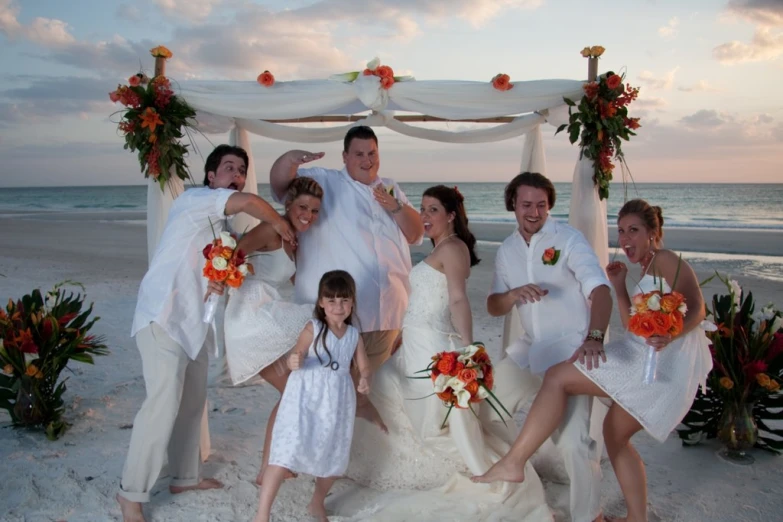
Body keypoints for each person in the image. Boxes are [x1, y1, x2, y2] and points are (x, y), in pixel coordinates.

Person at [473, 199, 713, 522]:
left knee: (558, 376)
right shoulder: (646, 266)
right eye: (621, 231)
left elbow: (698, 308)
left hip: (656, 364)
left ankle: (514, 462)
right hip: (644, 355)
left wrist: (670, 335)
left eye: (634, 231)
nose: (625, 239)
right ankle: (636, 519)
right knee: (615, 436)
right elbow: (634, 327)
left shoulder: (665, 259)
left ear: (653, 233)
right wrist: (619, 286)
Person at [344, 186, 552, 521]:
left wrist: (469, 350)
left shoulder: (453, 248)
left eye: (433, 210)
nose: (425, 217)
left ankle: (488, 469)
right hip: (412, 342)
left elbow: (457, 299)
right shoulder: (443, 247)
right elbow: (425, 302)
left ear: (451, 215)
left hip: (431, 346)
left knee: (429, 426)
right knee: (381, 390)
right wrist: (401, 335)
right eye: (423, 209)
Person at [116, 145, 295, 522]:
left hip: (195, 325)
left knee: (192, 404)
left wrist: (220, 283)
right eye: (229, 167)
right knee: (161, 406)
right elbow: (246, 201)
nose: (237, 173)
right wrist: (280, 222)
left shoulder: (223, 230)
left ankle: (184, 476)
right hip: (163, 316)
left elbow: (217, 269)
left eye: (242, 168)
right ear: (211, 177)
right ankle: (130, 493)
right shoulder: (195, 200)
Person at [478, 172, 613, 522]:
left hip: (570, 355)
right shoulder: (507, 250)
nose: (534, 212)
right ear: (513, 205)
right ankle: (517, 475)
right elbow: (493, 305)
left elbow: (600, 290)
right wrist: (511, 295)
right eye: (526, 205)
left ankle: (590, 515)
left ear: (549, 206)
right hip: (530, 349)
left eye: (541, 204)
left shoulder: (568, 240)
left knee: (572, 444)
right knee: (486, 408)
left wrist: (595, 337)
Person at [269, 126, 424, 383]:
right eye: (359, 154)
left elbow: (416, 234)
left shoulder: (390, 187)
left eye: (372, 153)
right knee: (334, 391)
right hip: (340, 316)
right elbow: (280, 186)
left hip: (390, 313)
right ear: (345, 156)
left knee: (374, 394)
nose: (367, 160)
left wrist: (395, 206)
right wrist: (290, 159)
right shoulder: (325, 181)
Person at [221, 176, 323, 485]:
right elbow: (230, 258)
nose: (308, 214)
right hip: (251, 313)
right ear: (288, 205)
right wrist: (231, 281)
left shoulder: (294, 238)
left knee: (293, 391)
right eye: (303, 207)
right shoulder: (270, 229)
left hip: (269, 311)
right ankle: (269, 467)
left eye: (315, 210)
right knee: (317, 322)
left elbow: (295, 282)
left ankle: (269, 468)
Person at [253, 270, 371, 522]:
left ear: (352, 302)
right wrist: (295, 360)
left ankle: (317, 502)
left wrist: (364, 380)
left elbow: (363, 364)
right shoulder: (314, 327)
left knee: (333, 453)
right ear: (321, 303)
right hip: (305, 397)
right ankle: (262, 514)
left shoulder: (353, 336)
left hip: (337, 401)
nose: (338, 307)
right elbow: (297, 354)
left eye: (344, 300)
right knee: (285, 450)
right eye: (331, 301)